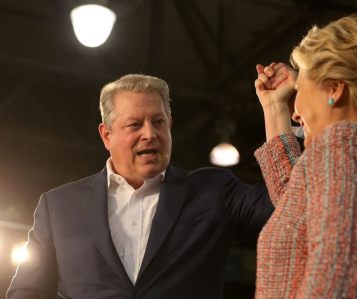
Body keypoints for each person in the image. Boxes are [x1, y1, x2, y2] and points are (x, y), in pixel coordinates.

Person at [7, 74, 273, 299]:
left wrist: (276, 110)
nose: (150, 134)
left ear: (169, 126)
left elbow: (291, 206)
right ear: (106, 135)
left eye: (158, 122)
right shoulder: (59, 207)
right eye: (135, 124)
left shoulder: (212, 192)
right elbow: (27, 291)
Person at [253, 14, 357, 298]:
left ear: (334, 89)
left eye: (300, 91)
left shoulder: (344, 147)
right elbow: (298, 209)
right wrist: (274, 108)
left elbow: (336, 283)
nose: (295, 111)